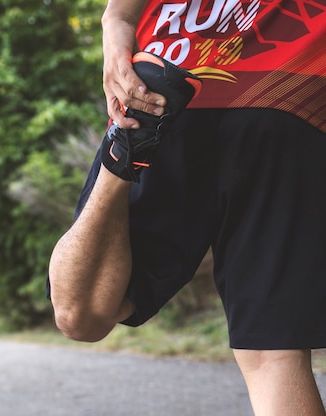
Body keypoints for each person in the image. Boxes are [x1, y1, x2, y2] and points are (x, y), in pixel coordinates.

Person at [47, 0, 326, 414]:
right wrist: (114, 26)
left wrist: (115, 24)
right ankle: (125, 154)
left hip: (169, 78)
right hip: (288, 83)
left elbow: (119, 14)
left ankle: (124, 153)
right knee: (273, 354)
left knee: (81, 313)